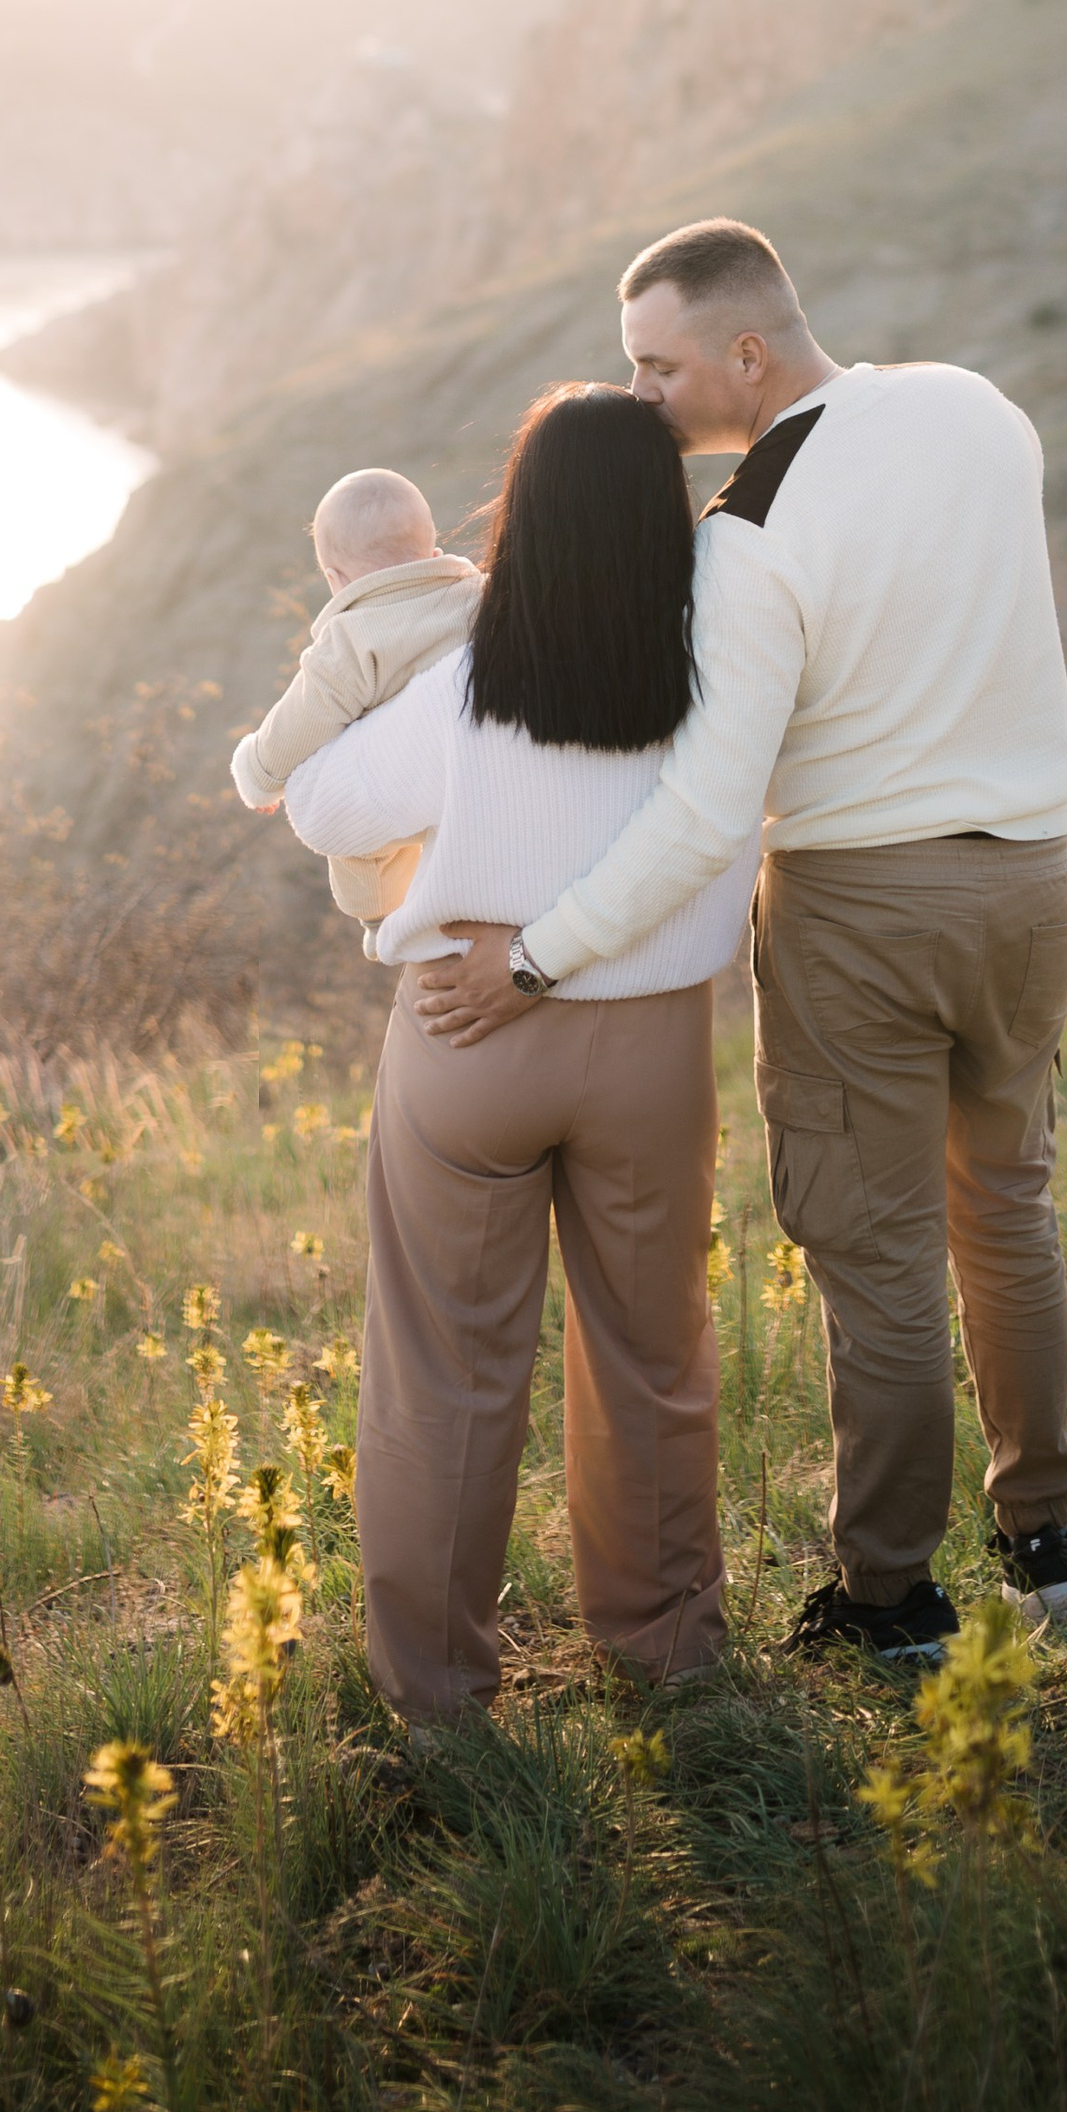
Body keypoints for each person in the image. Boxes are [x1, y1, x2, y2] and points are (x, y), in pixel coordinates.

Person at [414, 218, 1067, 1662]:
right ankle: (1046, 1542)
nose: (641, 397)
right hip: (1035, 881)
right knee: (1009, 1207)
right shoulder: (977, 408)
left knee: (880, 1256)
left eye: (656, 367)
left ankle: (890, 1600)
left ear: (744, 350)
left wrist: (532, 957)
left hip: (866, 910)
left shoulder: (748, 535)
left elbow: (709, 813)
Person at [279, 386, 757, 1718]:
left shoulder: (462, 687)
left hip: (465, 1033)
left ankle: (436, 1692)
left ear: (517, 519)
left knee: (446, 1374)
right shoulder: (721, 676)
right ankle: (667, 1650)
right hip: (653, 1047)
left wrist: (353, 641)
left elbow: (314, 802)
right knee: (653, 1358)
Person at [229, 468, 481, 931]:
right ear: (431, 550)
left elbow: (300, 722)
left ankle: (383, 920)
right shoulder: (476, 594)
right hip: (476, 770)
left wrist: (259, 776)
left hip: (399, 786)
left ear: (334, 578)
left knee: (355, 834)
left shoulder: (349, 642)